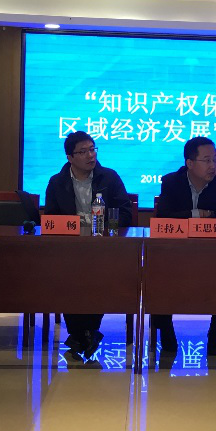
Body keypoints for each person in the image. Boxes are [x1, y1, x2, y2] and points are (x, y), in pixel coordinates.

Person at [44, 130, 133, 359]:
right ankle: (83, 334)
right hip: (69, 250)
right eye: (83, 152)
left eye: (92, 149)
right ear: (70, 157)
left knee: (99, 275)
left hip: (103, 248)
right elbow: (51, 219)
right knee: (68, 278)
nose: (90, 155)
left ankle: (85, 333)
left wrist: (103, 227)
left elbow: (125, 213)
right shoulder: (56, 182)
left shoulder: (109, 178)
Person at [154, 136, 216, 356]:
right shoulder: (171, 182)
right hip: (176, 254)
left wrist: (185, 218)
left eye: (215, 160)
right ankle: (165, 330)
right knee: (159, 272)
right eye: (207, 160)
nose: (213, 166)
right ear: (189, 163)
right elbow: (164, 218)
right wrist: (199, 214)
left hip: (212, 254)